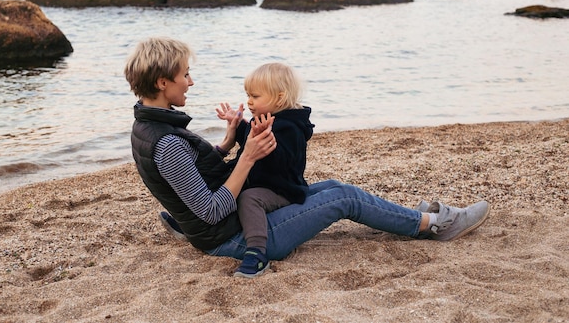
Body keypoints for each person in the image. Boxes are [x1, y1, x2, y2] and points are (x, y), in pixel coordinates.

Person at [124, 36, 491, 278]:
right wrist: (248, 156)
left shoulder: (150, 126)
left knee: (333, 186)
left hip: (222, 223)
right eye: (185, 75)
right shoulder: (166, 141)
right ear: (162, 82)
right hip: (235, 235)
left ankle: (415, 216)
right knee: (345, 199)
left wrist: (229, 141)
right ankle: (435, 225)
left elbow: (193, 174)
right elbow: (211, 210)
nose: (190, 82)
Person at [215, 63, 314, 277]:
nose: (249, 101)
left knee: (248, 198)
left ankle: (257, 252)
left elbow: (283, 164)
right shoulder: (263, 119)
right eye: (248, 95)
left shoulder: (290, 129)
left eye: (255, 96)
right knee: (225, 179)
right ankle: (200, 222)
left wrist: (265, 140)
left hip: (281, 189)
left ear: (279, 98)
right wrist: (239, 125)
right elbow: (247, 141)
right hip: (260, 180)